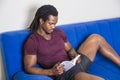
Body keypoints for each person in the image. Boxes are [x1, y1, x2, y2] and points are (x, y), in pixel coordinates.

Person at [23, 4, 120, 80]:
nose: (53, 27)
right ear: (41, 21)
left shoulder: (58, 32)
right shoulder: (33, 41)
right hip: (63, 74)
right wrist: (51, 72)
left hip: (73, 64)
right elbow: (29, 67)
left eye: (55, 24)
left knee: (95, 38)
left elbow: (70, 50)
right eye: (51, 23)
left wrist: (74, 56)